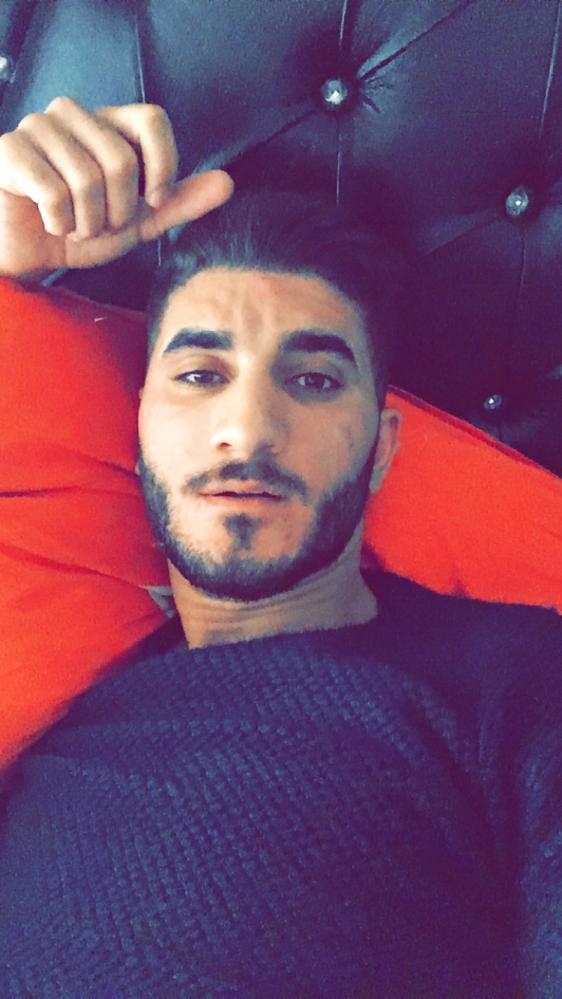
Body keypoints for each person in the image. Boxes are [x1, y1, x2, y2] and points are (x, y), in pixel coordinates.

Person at [0, 98, 560, 997]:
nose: (248, 428)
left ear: (382, 449)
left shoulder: (520, 680)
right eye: (199, 374)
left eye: (313, 379)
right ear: (136, 429)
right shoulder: (51, 722)